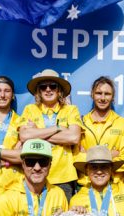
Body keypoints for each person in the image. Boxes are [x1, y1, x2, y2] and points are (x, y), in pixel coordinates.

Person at [19, 69, 82, 200]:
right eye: (43, 87)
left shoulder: (71, 110)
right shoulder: (29, 109)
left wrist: (36, 132)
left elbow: (74, 138)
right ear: (38, 91)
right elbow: (24, 136)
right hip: (36, 173)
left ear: (59, 90)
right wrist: (57, 128)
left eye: (52, 86)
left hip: (63, 177)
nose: (48, 90)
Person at [77, 76, 124, 187]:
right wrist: (111, 154)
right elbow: (75, 158)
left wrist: (88, 155)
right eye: (99, 93)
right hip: (86, 186)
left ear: (113, 97)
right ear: (92, 95)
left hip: (116, 186)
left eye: (107, 94)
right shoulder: (80, 123)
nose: (103, 98)